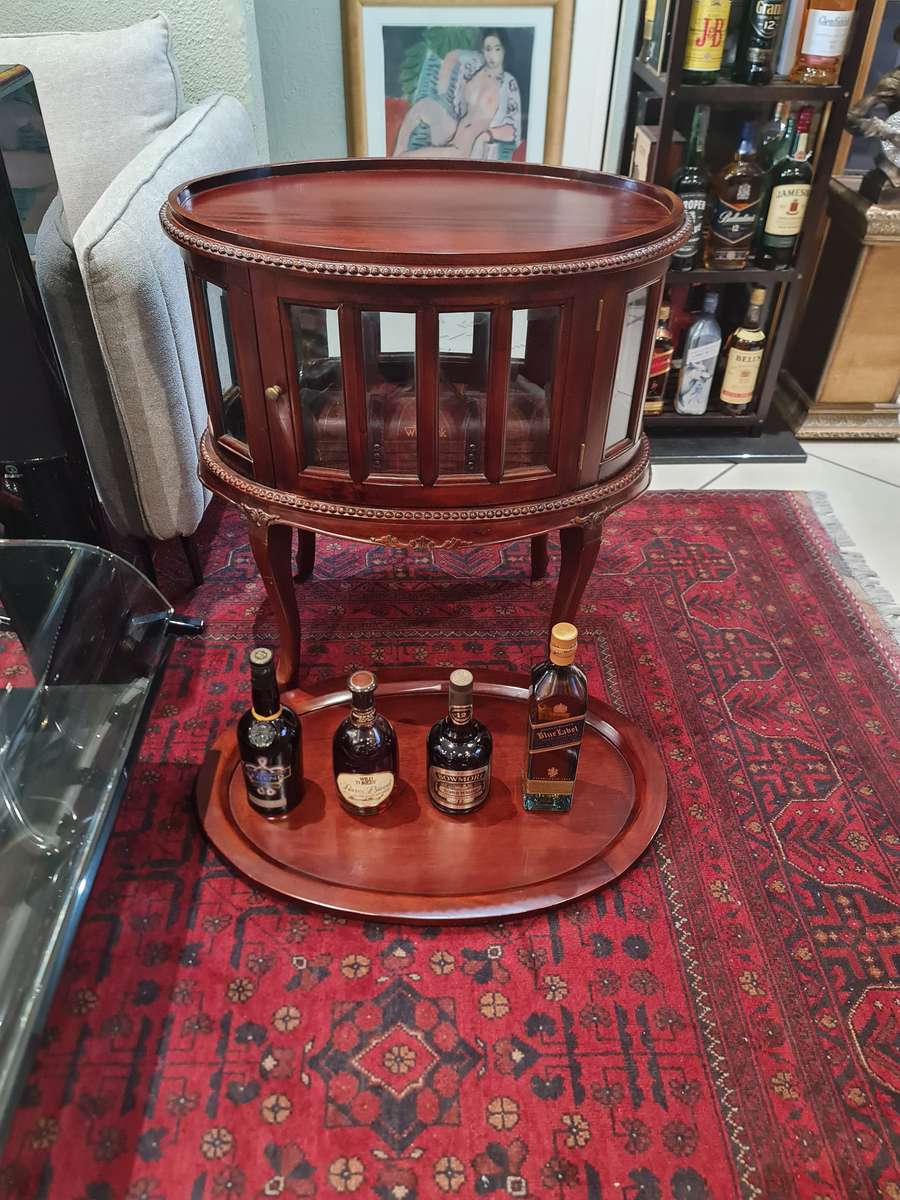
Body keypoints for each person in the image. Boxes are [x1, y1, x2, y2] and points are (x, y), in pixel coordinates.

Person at [392, 30, 522, 160]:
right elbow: (453, 55)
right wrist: (442, 86)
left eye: (497, 49)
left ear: (504, 50)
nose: (492, 55)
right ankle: (396, 152)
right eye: (488, 49)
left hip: (465, 148)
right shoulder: (476, 65)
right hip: (452, 128)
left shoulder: (508, 84)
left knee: (408, 158)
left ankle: (396, 161)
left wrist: (487, 135)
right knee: (422, 106)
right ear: (483, 50)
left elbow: (512, 131)